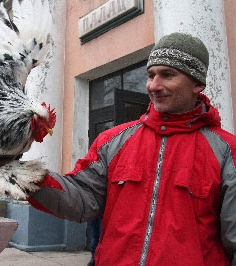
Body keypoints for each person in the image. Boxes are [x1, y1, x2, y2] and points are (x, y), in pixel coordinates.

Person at [27, 32, 236, 265]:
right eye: (150, 75)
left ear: (197, 83)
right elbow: (83, 199)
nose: (154, 86)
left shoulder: (227, 150)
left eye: (167, 75)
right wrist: (25, 177)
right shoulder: (112, 140)